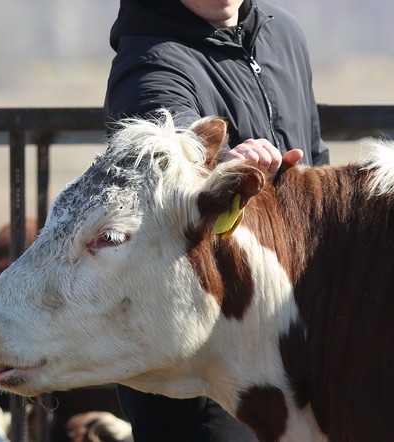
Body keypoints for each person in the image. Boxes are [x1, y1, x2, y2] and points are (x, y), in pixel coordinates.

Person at [104, 0, 329, 440]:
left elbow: (316, 156)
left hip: (289, 340)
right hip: (198, 365)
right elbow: (170, 150)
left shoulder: (282, 32)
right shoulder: (148, 59)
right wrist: (225, 165)